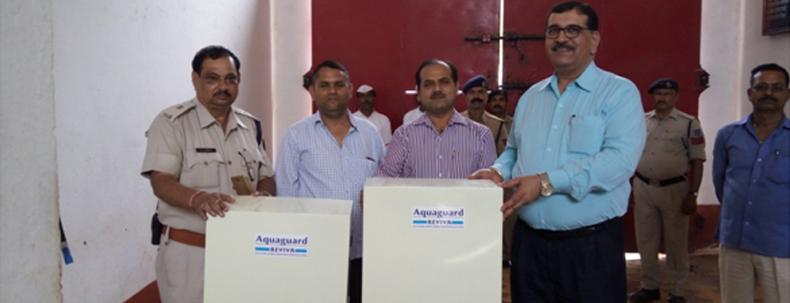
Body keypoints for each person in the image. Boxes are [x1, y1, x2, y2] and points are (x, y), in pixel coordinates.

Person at [469, 2, 646, 302]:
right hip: (530, 247)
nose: (562, 38)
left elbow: (619, 161)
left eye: (573, 30)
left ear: (594, 40)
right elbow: (513, 151)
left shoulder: (619, 93)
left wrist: (545, 181)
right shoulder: (531, 98)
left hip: (590, 249)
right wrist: (497, 171)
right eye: (554, 31)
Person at [141, 45, 276, 303]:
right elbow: (161, 181)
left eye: (230, 79)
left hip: (242, 250)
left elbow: (265, 174)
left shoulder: (251, 126)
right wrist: (198, 199)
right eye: (212, 78)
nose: (222, 86)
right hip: (190, 254)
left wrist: (265, 193)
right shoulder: (171, 123)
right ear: (196, 80)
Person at [275, 60, 386, 303]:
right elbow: (286, 194)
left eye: (339, 84)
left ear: (350, 89)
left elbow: (383, 185)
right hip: (316, 248)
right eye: (324, 85)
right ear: (312, 91)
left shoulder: (370, 134)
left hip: (364, 248)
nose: (332, 91)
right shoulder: (296, 135)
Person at [713, 63, 790, 303]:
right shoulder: (728, 135)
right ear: (750, 93)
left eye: (776, 87)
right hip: (734, 239)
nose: (768, 93)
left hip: (780, 243)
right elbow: (721, 183)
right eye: (761, 87)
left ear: (787, 94)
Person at [629, 78, 705, 303]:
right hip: (643, 186)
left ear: (676, 97)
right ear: (652, 97)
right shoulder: (640, 121)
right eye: (659, 94)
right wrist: (630, 184)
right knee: (645, 240)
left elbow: (698, 160)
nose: (663, 98)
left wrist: (693, 193)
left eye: (668, 94)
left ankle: (677, 290)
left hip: (675, 190)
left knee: (676, 243)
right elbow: (630, 153)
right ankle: (649, 286)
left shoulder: (689, 123)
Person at [373, 59, 497, 179]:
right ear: (419, 93)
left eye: (444, 82)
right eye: (428, 84)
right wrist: (371, 192)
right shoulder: (403, 136)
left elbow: (488, 190)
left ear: (456, 87)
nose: (437, 89)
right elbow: (385, 179)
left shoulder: (481, 136)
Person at [460, 75, 509, 155]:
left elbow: (505, 156)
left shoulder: (497, 125)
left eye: (480, 92)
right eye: (472, 92)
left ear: (486, 96)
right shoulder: (454, 122)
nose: (476, 96)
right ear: (465, 97)